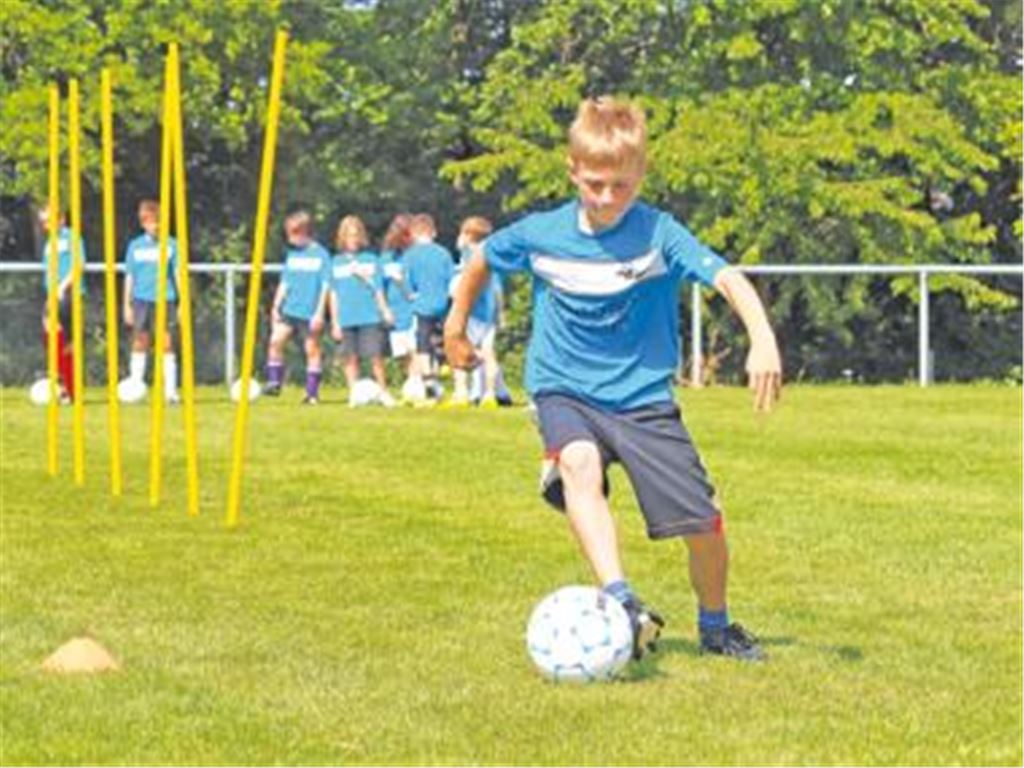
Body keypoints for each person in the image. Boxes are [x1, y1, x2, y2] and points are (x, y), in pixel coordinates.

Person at [445, 97, 783, 662]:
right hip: (563, 387)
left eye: (621, 186)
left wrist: (763, 337)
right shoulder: (540, 233)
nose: (606, 198)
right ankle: (621, 601)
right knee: (578, 462)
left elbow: (727, 279)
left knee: (703, 525)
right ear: (573, 171)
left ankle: (717, 627)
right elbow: (481, 258)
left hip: (643, 398)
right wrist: (456, 326)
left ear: (641, 175)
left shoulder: (659, 233)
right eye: (595, 183)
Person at [264, 208, 331, 404]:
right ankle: (274, 382)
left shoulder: (321, 255)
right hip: (290, 309)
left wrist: (319, 312)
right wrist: (276, 305)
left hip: (309, 311)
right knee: (275, 342)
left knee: (312, 349)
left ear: (304, 232)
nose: (289, 238)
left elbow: (326, 286)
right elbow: (285, 282)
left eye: (292, 234)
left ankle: (311, 393)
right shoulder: (293, 255)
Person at [328, 215, 396, 407]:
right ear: (342, 237)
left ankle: (383, 392)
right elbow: (333, 294)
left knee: (375, 356)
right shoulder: (336, 262)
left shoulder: (371, 260)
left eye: (356, 235)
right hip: (346, 317)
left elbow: (378, 289)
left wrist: (385, 310)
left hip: (369, 316)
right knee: (350, 358)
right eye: (349, 235)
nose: (353, 239)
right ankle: (354, 393)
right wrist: (335, 321)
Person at [123, 199, 180, 403]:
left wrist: (182, 302)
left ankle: (170, 392)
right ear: (143, 222)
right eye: (150, 222)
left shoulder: (172, 245)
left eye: (158, 221)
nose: (155, 226)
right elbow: (129, 276)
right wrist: (126, 304)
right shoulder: (135, 246)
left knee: (166, 343)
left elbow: (178, 273)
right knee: (140, 342)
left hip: (165, 298)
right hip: (141, 299)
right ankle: (136, 387)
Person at [448, 216, 503, 409]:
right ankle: (490, 394)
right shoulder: (492, 257)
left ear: (468, 235)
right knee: (489, 353)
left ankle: (461, 392)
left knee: (457, 348)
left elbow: (460, 246)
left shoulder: (468, 254)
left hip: (469, 312)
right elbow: (497, 290)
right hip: (488, 313)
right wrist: (500, 314)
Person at [403, 214, 453, 404]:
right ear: (434, 232)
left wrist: (410, 294)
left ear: (413, 234)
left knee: (422, 343)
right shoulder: (443, 253)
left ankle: (429, 379)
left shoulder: (411, 255)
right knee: (442, 340)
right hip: (443, 304)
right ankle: (444, 365)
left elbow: (406, 281)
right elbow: (451, 280)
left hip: (422, 306)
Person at [38, 207, 85, 404]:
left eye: (49, 220)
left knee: (67, 342)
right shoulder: (50, 243)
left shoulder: (72, 237)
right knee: (51, 334)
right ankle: (60, 379)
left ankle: (70, 388)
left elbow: (78, 265)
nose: (46, 225)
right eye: (44, 222)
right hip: (53, 294)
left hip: (68, 293)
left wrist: (63, 287)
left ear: (61, 219)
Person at [379, 214, 416, 397]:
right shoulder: (387, 258)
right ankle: (413, 383)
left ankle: (417, 386)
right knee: (403, 354)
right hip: (396, 313)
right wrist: (385, 310)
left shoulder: (418, 255)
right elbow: (379, 287)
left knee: (417, 350)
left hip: (416, 311)